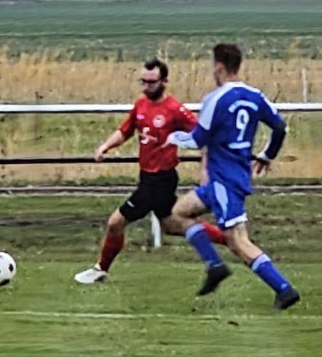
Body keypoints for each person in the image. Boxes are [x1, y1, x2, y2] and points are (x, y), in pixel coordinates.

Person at [164, 43, 300, 309]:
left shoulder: (215, 99)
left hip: (224, 181)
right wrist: (267, 154)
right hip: (227, 177)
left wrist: (172, 137)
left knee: (238, 240)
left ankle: (284, 289)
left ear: (219, 67)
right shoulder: (255, 96)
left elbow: (197, 139)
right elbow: (280, 127)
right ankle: (214, 265)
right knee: (176, 214)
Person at [74, 59, 227, 284]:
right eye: (143, 82)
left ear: (164, 81)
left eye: (152, 82)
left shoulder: (174, 109)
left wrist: (206, 165)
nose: (146, 87)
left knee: (115, 223)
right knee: (172, 225)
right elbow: (125, 131)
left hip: (160, 180)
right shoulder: (141, 104)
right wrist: (105, 146)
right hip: (147, 177)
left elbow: (202, 135)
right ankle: (231, 239)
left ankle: (100, 269)